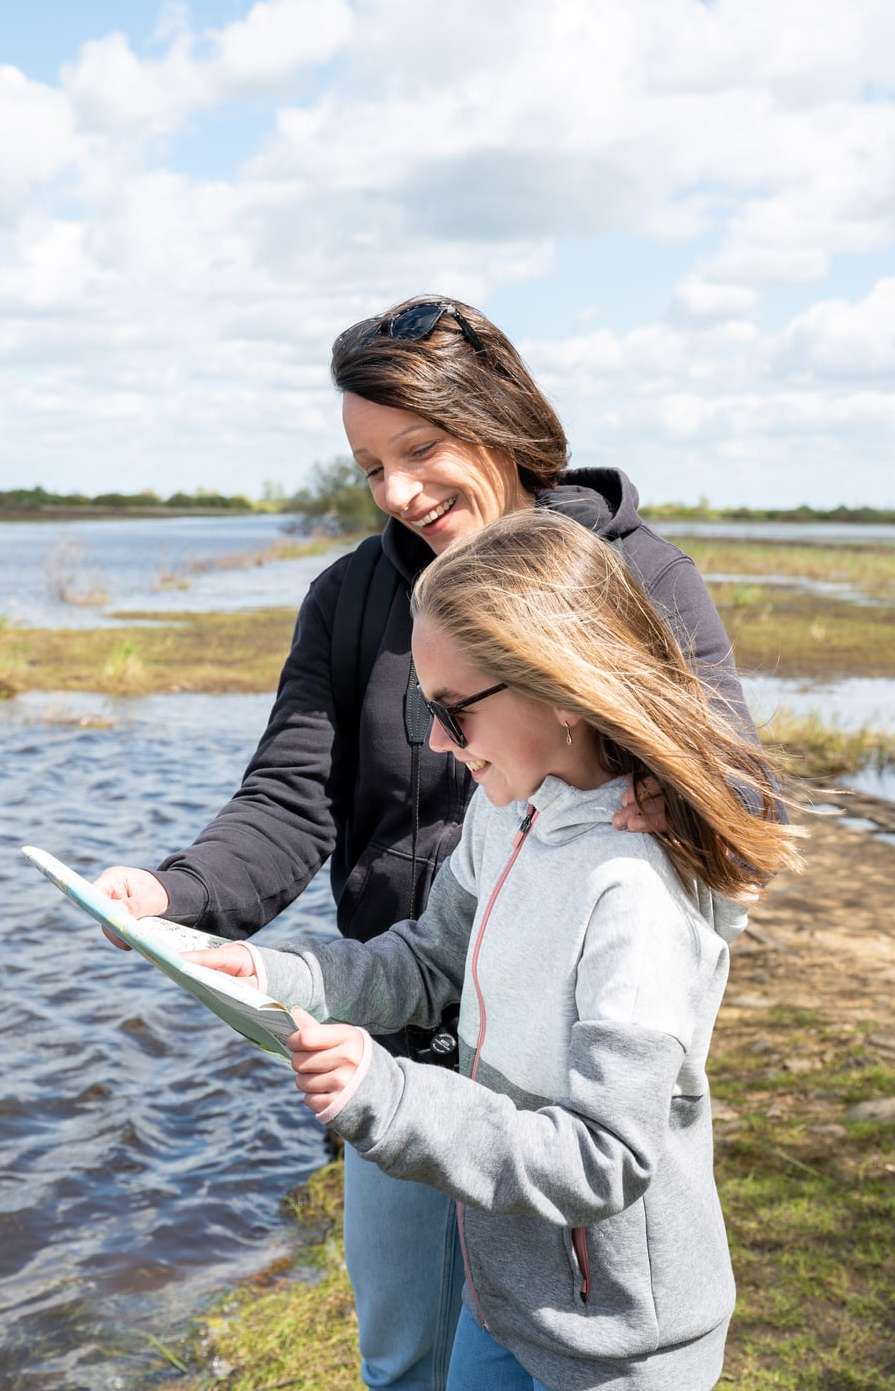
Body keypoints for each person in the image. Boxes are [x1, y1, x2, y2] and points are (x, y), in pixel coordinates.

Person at [94, 295, 757, 1391]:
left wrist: (673, 799)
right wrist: (179, 901)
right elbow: (293, 796)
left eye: (420, 449)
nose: (398, 492)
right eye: (369, 468)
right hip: (397, 1032)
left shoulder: (639, 583)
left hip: (557, 1066)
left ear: (493, 421)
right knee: (415, 1354)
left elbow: (731, 785)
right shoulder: (355, 598)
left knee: (557, 1315)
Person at [186, 509, 801, 1391]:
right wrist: (274, 974)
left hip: (612, 1346)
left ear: (561, 690)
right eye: (423, 708)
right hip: (503, 1293)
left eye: (451, 712)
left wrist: (386, 1095)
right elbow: (431, 959)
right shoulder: (506, 810)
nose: (435, 741)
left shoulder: (632, 892)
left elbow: (605, 1157)